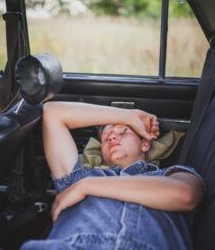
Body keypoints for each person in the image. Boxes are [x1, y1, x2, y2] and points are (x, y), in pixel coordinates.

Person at [21, 102, 205, 250]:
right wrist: (127, 117)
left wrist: (86, 186)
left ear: (145, 144)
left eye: (124, 131)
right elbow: (53, 112)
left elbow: (186, 195)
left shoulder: (170, 175)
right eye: (106, 136)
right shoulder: (76, 177)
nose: (112, 137)